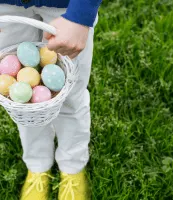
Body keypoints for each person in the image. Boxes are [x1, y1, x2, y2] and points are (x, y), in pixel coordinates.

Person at [0, 0, 102, 199]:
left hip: (66, 7)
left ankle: (73, 166)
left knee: (71, 94)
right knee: (25, 103)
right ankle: (38, 164)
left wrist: (81, 14)